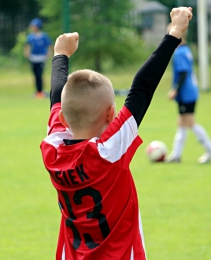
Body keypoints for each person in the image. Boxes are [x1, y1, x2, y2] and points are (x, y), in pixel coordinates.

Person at [40, 7, 192, 260]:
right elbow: (142, 87)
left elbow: (57, 96)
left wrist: (60, 54)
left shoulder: (52, 150)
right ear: (111, 114)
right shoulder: (109, 151)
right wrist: (175, 31)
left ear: (63, 119)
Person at [166, 25, 211, 164]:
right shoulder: (186, 50)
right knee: (182, 122)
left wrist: (175, 89)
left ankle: (209, 150)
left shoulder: (179, 53)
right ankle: (176, 155)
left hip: (186, 93)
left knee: (190, 122)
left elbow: (184, 72)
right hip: (190, 91)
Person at [24, 18, 52, 99]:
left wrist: (49, 52)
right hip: (33, 58)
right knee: (35, 75)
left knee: (39, 75)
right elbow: (27, 45)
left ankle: (41, 91)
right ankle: (38, 91)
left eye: (34, 26)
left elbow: (49, 44)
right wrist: (27, 52)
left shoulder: (43, 36)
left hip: (41, 58)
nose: (32, 27)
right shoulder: (31, 37)